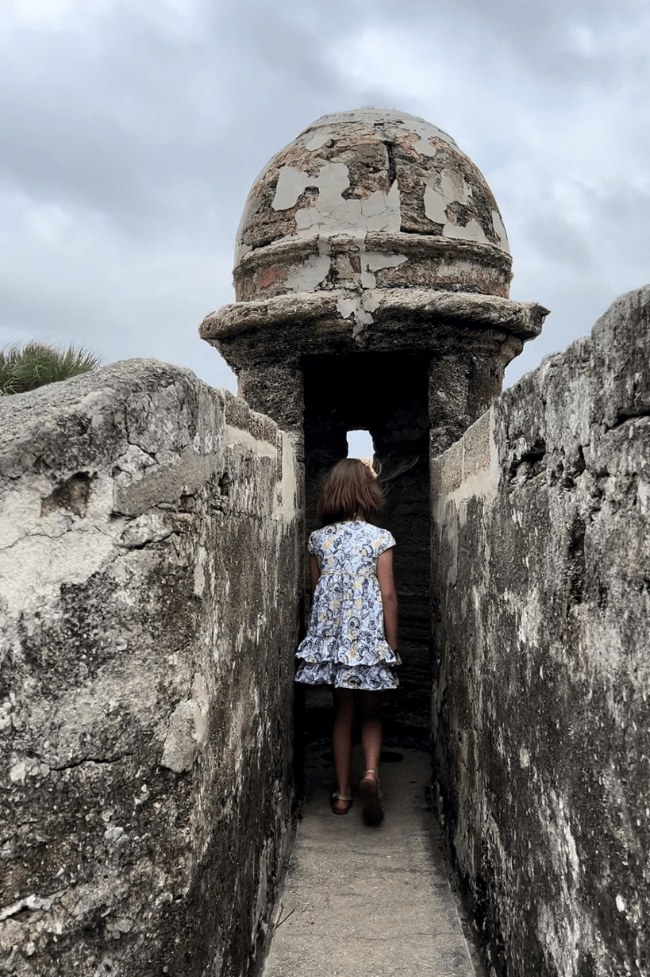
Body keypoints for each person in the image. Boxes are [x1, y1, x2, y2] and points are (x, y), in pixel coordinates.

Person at [295, 458, 399, 826]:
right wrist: (392, 646)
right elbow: (388, 596)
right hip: (369, 643)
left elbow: (316, 593)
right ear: (366, 494)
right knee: (371, 711)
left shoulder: (318, 540)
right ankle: (370, 774)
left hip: (336, 645)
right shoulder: (379, 538)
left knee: (341, 712)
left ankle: (342, 794)